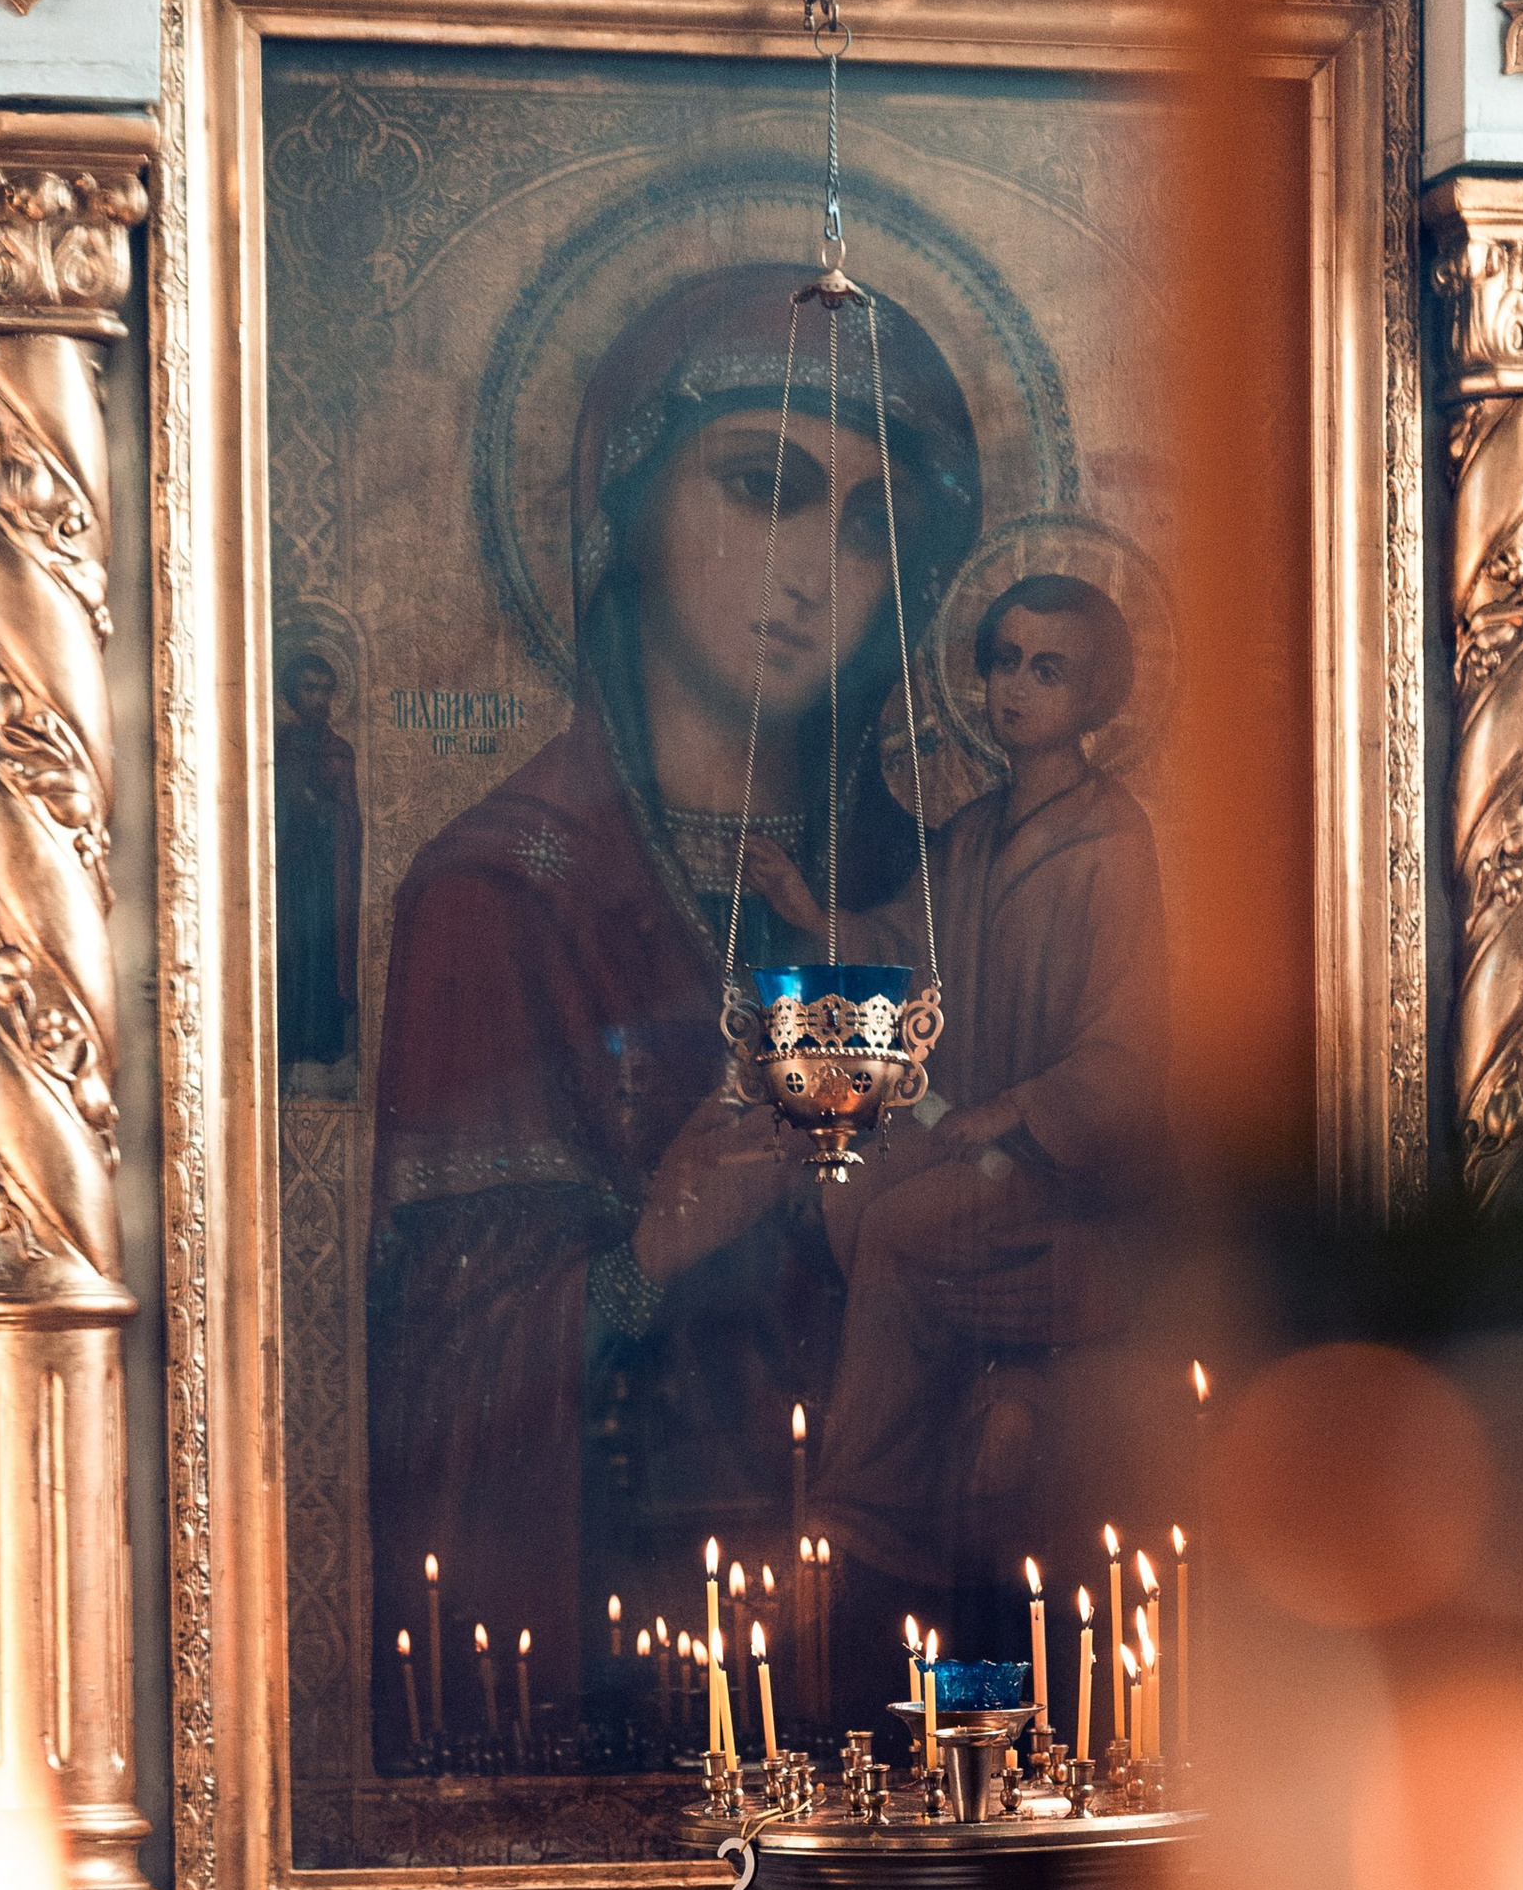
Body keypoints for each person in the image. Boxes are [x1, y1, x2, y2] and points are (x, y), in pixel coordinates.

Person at [366, 266, 982, 1762]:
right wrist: (647, 1257)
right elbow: (431, 1391)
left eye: (868, 526)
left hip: (915, 1649)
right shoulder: (500, 896)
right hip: (630, 1649)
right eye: (762, 486)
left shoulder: (940, 887)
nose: (815, 573)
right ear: (624, 504)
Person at [742, 571, 1168, 1653]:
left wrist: (1015, 1111)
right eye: (1000, 661)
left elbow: (1130, 1042)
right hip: (969, 1141)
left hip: (1058, 1170)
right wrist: (806, 911)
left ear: (1096, 693)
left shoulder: (1112, 840)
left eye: (1046, 667)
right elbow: (899, 946)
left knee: (893, 1228)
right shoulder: (974, 832)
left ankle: (861, 1522)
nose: (1013, 688)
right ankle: (948, 1436)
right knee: (841, 1193)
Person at [273, 646, 361, 1076]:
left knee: (322, 949)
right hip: (288, 870)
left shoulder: (339, 751)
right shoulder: (279, 748)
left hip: (327, 873)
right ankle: (288, 1038)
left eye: (326, 690)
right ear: (292, 693)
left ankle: (324, 1040)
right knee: (290, 949)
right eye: (310, 689)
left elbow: (349, 818)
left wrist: (325, 813)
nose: (319, 699)